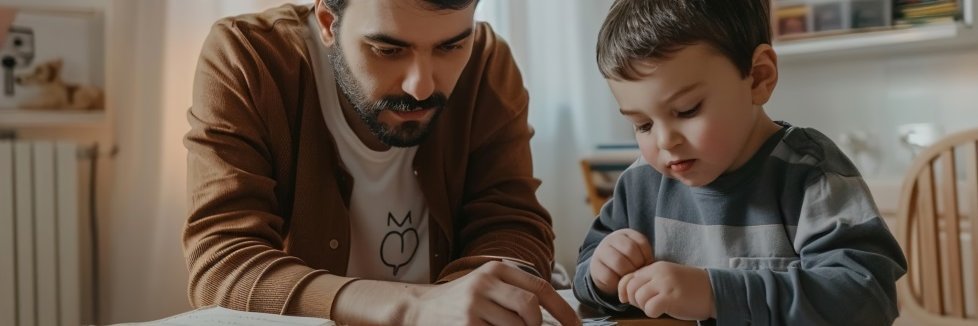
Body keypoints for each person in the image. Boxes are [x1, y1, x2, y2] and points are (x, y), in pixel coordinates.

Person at [183, 0, 579, 325]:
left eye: (451, 47)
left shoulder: (488, 63)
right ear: (328, 22)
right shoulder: (248, 57)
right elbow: (223, 261)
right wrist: (413, 307)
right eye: (388, 50)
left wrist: (468, 302)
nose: (421, 86)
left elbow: (512, 222)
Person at [573, 0, 907, 325]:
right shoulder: (641, 183)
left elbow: (867, 298)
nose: (664, 141)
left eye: (687, 110)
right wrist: (602, 273)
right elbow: (585, 275)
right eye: (642, 124)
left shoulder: (810, 175)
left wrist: (715, 294)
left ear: (759, 77)